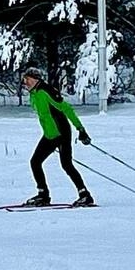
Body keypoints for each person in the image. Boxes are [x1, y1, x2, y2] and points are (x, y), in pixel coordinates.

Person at [20, 67, 94, 207]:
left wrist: (81, 129)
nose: (26, 83)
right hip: (50, 135)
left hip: (61, 133)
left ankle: (85, 195)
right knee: (35, 162)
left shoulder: (46, 91)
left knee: (66, 165)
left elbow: (66, 109)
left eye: (28, 79)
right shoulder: (34, 94)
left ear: (36, 79)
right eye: (25, 80)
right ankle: (43, 195)